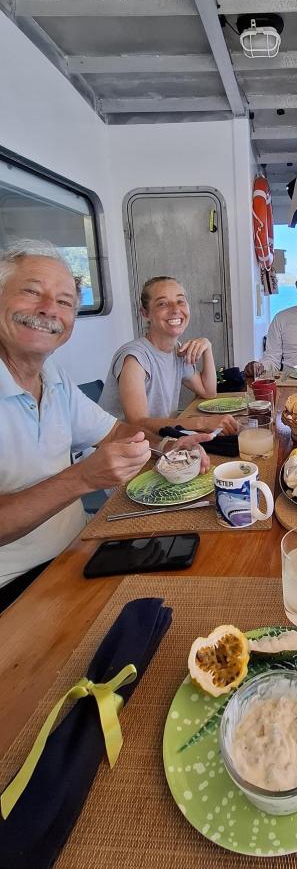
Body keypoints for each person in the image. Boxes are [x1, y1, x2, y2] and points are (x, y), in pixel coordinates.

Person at [0, 242, 209, 609]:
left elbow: (114, 432)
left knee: (198, 576)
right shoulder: (134, 356)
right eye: (32, 292)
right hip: (17, 584)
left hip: (79, 550)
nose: (49, 308)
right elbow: (130, 427)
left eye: (64, 301)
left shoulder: (53, 378)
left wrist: (171, 444)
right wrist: (83, 477)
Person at [100, 276, 238, 435]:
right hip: (125, 449)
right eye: (162, 303)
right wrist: (201, 423)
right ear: (145, 313)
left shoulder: (177, 350)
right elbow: (137, 423)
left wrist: (207, 347)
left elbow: (208, 391)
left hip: (158, 439)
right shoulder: (134, 359)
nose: (175, 309)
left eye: (180, 301)